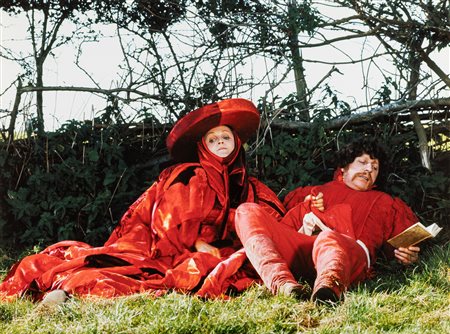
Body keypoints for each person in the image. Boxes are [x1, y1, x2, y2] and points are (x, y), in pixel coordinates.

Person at [0, 98, 285, 302]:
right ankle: (67, 291)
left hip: (215, 251)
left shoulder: (248, 183)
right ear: (202, 147)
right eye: (212, 139)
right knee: (162, 273)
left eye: (226, 136)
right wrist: (201, 246)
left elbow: (271, 221)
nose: (221, 142)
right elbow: (167, 225)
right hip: (163, 249)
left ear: (237, 143)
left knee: (233, 265)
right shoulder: (189, 175)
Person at [235, 137, 421, 303]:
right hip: (304, 249)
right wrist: (306, 222)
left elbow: (400, 244)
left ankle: (327, 289)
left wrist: (407, 255)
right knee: (246, 211)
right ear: (344, 168)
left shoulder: (386, 202)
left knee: (329, 238)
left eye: (375, 167)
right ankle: (281, 282)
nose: (368, 169)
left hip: (348, 254)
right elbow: (286, 227)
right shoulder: (315, 193)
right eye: (362, 162)